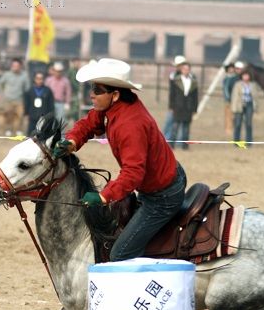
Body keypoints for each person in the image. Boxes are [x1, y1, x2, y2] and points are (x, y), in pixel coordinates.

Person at [53, 58, 187, 262]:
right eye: (92, 87)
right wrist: (71, 141)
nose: (91, 94)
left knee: (121, 253)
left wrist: (103, 197)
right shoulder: (114, 107)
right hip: (157, 183)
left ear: (114, 95)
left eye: (97, 90)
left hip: (162, 196)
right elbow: (89, 122)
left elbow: (133, 172)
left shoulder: (130, 124)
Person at [167, 60, 199, 150]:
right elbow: (172, 94)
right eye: (184, 69)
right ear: (181, 70)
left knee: (186, 128)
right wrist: (171, 106)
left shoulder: (193, 82)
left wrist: (195, 109)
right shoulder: (176, 80)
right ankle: (171, 145)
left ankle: (185, 146)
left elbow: (195, 96)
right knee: (175, 127)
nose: (186, 70)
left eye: (187, 69)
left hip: (188, 107)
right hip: (178, 106)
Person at [0, 58, 29, 136]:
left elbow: (27, 88)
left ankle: (17, 131)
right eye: (13, 65)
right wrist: (1, 93)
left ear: (20, 66)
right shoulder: (7, 74)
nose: (15, 67)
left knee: (19, 116)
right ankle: (8, 130)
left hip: (19, 100)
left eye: (17, 66)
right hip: (8, 100)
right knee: (8, 115)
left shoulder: (24, 76)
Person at [230, 69, 262, 146]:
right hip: (239, 105)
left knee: (248, 124)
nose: (246, 77)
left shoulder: (253, 85)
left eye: (247, 75)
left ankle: (249, 142)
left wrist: (256, 107)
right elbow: (234, 96)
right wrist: (234, 108)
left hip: (249, 105)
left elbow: (256, 97)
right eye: (244, 75)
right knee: (237, 124)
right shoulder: (238, 84)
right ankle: (236, 142)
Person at [24, 71, 55, 135]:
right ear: (34, 79)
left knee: (43, 136)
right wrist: (26, 113)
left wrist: (50, 115)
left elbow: (51, 104)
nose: (39, 80)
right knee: (31, 135)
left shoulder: (48, 90)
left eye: (41, 79)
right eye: (37, 78)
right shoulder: (30, 91)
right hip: (33, 117)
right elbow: (27, 104)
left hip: (44, 118)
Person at [162, 55, 186, 139]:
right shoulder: (173, 76)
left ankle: (179, 141)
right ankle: (166, 139)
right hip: (175, 103)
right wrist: (171, 105)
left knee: (181, 124)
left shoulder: (187, 76)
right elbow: (172, 93)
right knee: (170, 122)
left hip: (183, 104)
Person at [222, 63, 238, 136]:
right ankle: (228, 129)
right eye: (229, 68)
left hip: (235, 100)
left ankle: (234, 129)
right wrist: (227, 98)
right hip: (227, 100)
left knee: (234, 116)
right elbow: (225, 90)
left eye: (232, 68)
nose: (231, 70)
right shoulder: (225, 79)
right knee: (227, 115)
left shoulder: (236, 78)